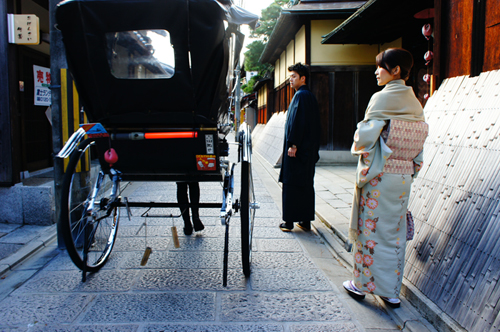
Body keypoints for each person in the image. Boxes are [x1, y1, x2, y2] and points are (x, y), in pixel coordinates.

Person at [342, 48, 429, 308]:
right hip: (402, 177)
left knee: (371, 229)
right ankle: (391, 291)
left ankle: (361, 285)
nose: (376, 71)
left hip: (380, 175)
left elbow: (365, 138)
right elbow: (419, 143)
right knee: (394, 232)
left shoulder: (381, 98)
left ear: (396, 70)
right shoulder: (415, 102)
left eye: (381, 66)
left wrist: (361, 138)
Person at [278, 63, 321, 232]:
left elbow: (298, 121)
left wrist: (293, 144)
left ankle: (288, 221)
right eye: (290, 77)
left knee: (291, 183)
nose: (291, 80)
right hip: (308, 151)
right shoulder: (309, 96)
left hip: (297, 149)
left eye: (294, 77)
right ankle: (304, 220)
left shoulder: (300, 96)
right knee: (305, 184)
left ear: (303, 78)